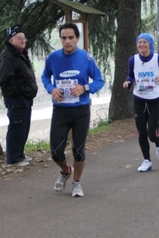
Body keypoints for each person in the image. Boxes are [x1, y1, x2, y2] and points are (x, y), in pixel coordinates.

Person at [41, 22, 104, 197]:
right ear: (60, 39)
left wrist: (85, 88)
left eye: (71, 38)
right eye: (64, 38)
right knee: (55, 152)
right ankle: (65, 171)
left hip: (80, 111)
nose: (67, 41)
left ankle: (76, 183)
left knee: (78, 150)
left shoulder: (86, 58)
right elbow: (45, 76)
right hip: (60, 111)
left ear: (77, 38)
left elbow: (100, 81)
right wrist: (51, 89)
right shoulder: (53, 58)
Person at [122, 33, 159, 172]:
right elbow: (131, 75)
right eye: (139, 43)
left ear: (150, 44)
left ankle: (158, 142)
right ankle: (146, 160)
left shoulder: (158, 58)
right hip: (139, 99)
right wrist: (128, 82)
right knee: (141, 132)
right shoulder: (133, 60)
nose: (142, 45)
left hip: (155, 99)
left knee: (152, 133)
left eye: (145, 42)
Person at [0, 26, 38, 167]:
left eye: (23, 38)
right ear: (11, 40)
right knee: (16, 127)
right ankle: (13, 158)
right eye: (19, 38)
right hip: (17, 99)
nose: (22, 41)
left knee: (23, 127)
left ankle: (19, 155)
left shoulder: (21, 54)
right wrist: (17, 96)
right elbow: (5, 79)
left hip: (26, 98)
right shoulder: (7, 56)